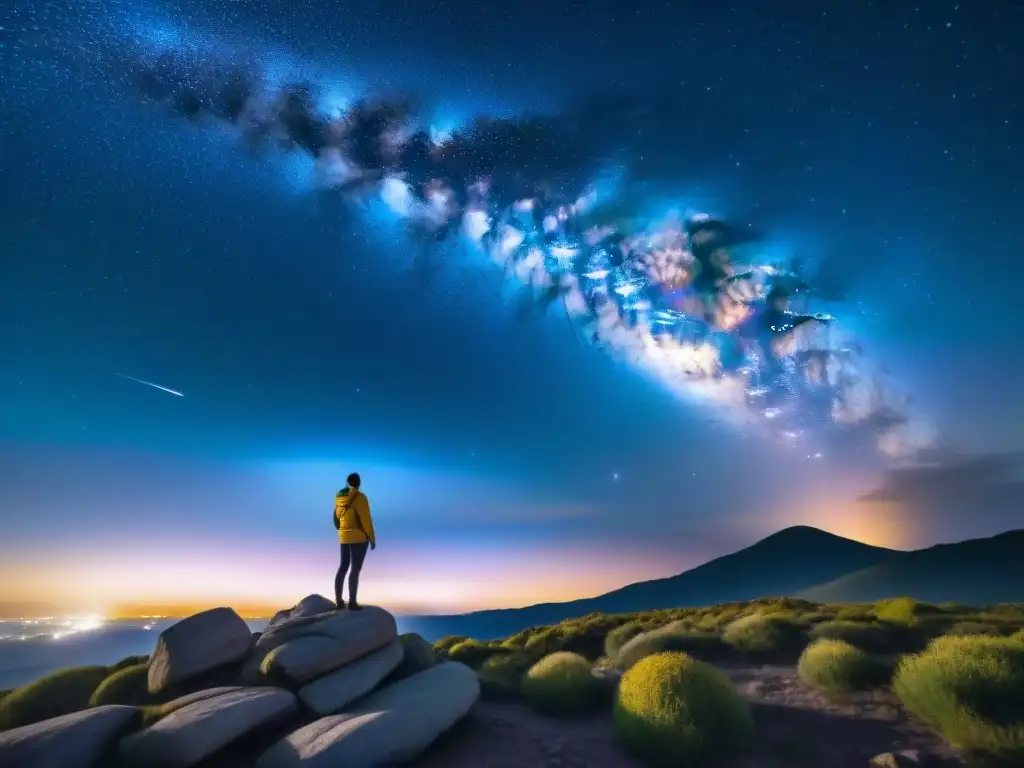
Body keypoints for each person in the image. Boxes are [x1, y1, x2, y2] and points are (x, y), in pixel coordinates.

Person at [333, 472, 377, 610]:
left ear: (347, 482)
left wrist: (342, 531)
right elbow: (366, 519)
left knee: (343, 567)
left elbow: (336, 518)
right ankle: (352, 603)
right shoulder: (360, 497)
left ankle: (339, 602)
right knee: (355, 569)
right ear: (358, 483)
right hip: (359, 537)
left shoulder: (339, 498)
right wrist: (371, 538)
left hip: (344, 537)